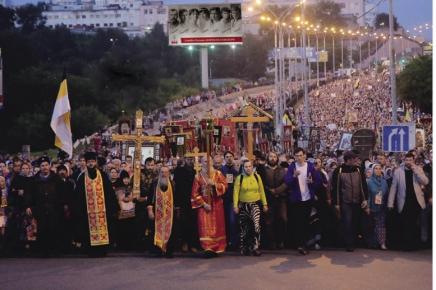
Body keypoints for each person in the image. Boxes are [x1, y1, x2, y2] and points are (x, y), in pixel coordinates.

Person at [74, 152, 118, 257]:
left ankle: (102, 249)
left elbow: (109, 193)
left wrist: (112, 207)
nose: (90, 164)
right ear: (85, 163)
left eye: (92, 162)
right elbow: (78, 196)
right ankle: (90, 250)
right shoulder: (82, 178)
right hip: (87, 212)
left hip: (103, 210)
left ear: (96, 162)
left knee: (104, 228)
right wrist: (79, 209)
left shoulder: (102, 175)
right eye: (88, 162)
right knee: (87, 230)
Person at [388, 153, 429, 251]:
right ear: (404, 160)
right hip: (404, 201)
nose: (408, 162)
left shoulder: (418, 169)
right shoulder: (398, 171)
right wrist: (390, 203)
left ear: (413, 160)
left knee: (415, 223)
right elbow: (394, 188)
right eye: (407, 160)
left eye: (410, 160)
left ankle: (414, 244)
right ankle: (407, 245)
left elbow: (425, 182)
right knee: (406, 223)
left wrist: (416, 171)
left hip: (416, 201)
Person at [285, 148, 321, 255]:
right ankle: (300, 245)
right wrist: (293, 176)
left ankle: (304, 243)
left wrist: (312, 181)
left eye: (300, 155)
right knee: (298, 222)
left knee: (306, 222)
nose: (299, 157)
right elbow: (287, 182)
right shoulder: (292, 167)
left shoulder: (310, 166)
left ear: (304, 156)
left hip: (308, 198)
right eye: (296, 156)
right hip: (296, 199)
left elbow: (318, 181)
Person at [331, 151, 369, 252]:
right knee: (347, 222)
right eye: (354, 159)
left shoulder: (358, 169)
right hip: (345, 201)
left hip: (357, 201)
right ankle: (349, 243)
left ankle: (354, 241)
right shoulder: (338, 171)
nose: (356, 161)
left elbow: (363, 185)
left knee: (355, 222)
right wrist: (337, 203)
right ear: (348, 160)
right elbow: (335, 188)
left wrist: (365, 199)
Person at [191, 155, 227, 258]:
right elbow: (194, 194)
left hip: (216, 205)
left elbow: (225, 186)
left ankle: (217, 248)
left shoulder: (218, 174)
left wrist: (215, 184)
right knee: (205, 227)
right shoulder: (198, 177)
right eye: (205, 161)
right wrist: (204, 204)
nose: (207, 163)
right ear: (201, 163)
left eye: (209, 161)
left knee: (217, 226)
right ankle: (208, 248)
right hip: (204, 206)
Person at [233, 160, 268, 256]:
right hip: (243, 206)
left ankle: (256, 247)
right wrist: (235, 206)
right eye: (246, 167)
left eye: (249, 166)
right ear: (243, 168)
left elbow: (261, 191)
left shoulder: (257, 177)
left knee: (256, 227)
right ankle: (244, 247)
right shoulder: (239, 178)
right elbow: (236, 193)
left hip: (255, 205)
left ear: (252, 167)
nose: (248, 168)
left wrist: (265, 204)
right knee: (244, 228)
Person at [31, 157, 63, 257]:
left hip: (54, 208)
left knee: (54, 228)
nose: (44, 167)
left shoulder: (56, 178)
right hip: (40, 208)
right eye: (42, 166)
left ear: (49, 166)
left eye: (46, 165)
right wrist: (29, 206)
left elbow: (62, 193)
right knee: (42, 229)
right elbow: (31, 195)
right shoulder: (34, 180)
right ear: (39, 167)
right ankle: (43, 251)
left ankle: (55, 251)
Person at [147, 166, 175, 258]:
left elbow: (176, 198)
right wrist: (150, 210)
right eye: (162, 172)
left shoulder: (172, 183)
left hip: (169, 214)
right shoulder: (155, 183)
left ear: (169, 173)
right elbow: (150, 198)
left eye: (166, 172)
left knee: (170, 231)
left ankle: (168, 250)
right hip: (157, 212)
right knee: (156, 231)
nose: (164, 174)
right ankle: (158, 250)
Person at [263, 151, 288, 250]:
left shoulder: (282, 170)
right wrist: (270, 191)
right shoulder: (264, 170)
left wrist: (277, 191)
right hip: (269, 199)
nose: (272, 158)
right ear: (267, 158)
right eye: (271, 156)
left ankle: (281, 240)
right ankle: (271, 241)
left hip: (281, 198)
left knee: (283, 219)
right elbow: (262, 184)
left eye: (274, 157)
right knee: (269, 221)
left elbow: (286, 183)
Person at [173, 158, 198, 253]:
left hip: (193, 200)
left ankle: (193, 244)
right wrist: (177, 203)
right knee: (183, 222)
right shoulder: (178, 171)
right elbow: (176, 188)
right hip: (182, 201)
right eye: (188, 159)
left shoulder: (195, 172)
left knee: (193, 222)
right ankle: (184, 243)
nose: (189, 161)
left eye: (191, 160)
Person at [220, 151, 239, 250]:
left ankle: (234, 242)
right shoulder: (221, 170)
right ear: (224, 158)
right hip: (223, 198)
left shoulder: (237, 169)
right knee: (224, 221)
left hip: (233, 198)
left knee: (232, 221)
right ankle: (226, 242)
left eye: (230, 156)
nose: (229, 158)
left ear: (233, 157)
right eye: (227, 157)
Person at [367, 164, 389, 250]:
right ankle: (374, 243)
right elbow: (368, 195)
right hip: (372, 207)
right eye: (376, 168)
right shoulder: (369, 181)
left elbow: (387, 194)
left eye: (380, 169)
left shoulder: (384, 182)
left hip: (382, 207)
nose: (378, 170)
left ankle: (382, 242)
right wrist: (368, 207)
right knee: (373, 225)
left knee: (381, 225)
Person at [114, 170, 135, 250]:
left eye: (127, 178)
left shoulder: (131, 187)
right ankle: (121, 245)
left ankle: (129, 245)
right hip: (121, 212)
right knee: (121, 229)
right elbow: (123, 199)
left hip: (130, 212)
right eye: (124, 179)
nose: (126, 180)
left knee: (129, 228)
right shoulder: (118, 188)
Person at [56, 165, 75, 253]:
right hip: (58, 208)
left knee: (69, 228)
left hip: (69, 208)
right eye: (60, 171)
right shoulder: (55, 183)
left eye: (64, 170)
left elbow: (72, 195)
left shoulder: (70, 183)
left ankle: (68, 246)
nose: (62, 172)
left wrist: (68, 205)